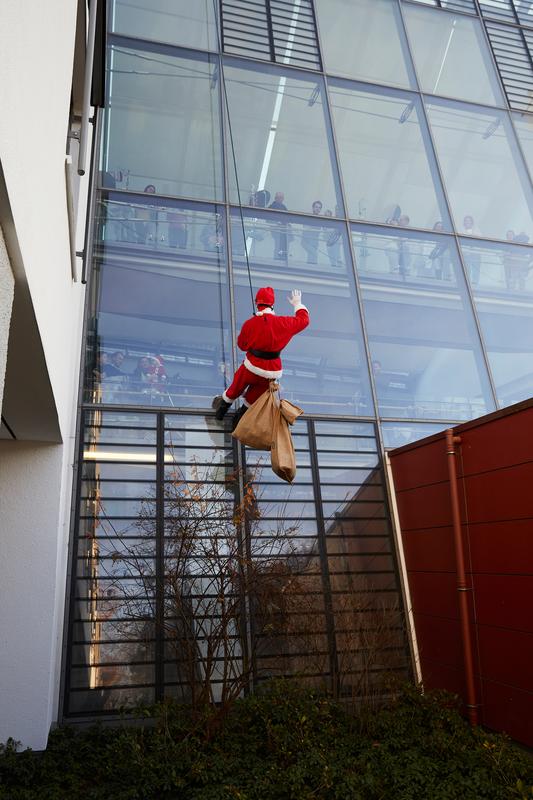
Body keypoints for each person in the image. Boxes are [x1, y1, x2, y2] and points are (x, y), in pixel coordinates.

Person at [212, 287, 310, 425]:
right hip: (271, 373)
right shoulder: (284, 322)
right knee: (251, 399)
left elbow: (242, 346)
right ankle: (238, 423)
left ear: (256, 302)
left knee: (235, 388)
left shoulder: (250, 324)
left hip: (251, 367)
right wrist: (297, 303)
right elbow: (304, 320)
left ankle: (220, 412)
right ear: (272, 304)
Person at [300, 200, 323, 265]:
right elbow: (305, 227)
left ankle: (310, 267)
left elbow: (324, 229)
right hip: (306, 241)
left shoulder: (321, 219)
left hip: (315, 242)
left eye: (319, 207)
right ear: (313, 208)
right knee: (314, 254)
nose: (318, 209)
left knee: (311, 255)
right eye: (316, 207)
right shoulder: (309, 217)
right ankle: (312, 268)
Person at [269, 192, 290, 260]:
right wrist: (276, 223)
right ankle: (277, 258)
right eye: (278, 197)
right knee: (277, 245)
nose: (280, 199)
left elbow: (287, 218)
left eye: (281, 198)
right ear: (275, 198)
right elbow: (268, 219)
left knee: (283, 246)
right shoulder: (272, 207)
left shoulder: (284, 207)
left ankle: (282, 257)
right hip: (276, 230)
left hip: (283, 230)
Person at [462, 215, 481, 285]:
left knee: (476, 269)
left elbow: (479, 240)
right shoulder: (461, 230)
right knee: (466, 269)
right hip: (465, 254)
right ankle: (467, 283)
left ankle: (475, 283)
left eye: (469, 221)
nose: (467, 222)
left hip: (475, 253)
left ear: (471, 222)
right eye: (466, 221)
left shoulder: (477, 230)